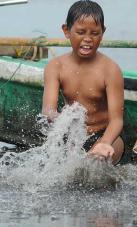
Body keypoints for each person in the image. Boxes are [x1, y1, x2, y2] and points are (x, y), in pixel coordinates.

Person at [42, 0, 124, 164]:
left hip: (104, 134)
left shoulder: (110, 70)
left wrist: (105, 143)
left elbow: (117, 120)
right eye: (81, 32)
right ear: (66, 31)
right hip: (71, 135)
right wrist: (63, 119)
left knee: (100, 159)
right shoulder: (55, 66)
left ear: (103, 33)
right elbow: (48, 111)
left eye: (94, 33)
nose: (88, 39)